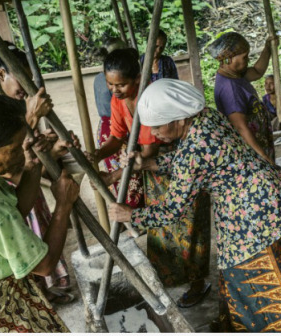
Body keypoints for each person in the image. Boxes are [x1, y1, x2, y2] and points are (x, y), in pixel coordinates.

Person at [109, 79, 281, 332]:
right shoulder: (205, 118)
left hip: (256, 217)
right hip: (265, 200)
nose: (154, 133)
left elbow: (172, 210)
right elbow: (187, 161)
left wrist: (131, 215)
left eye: (158, 126)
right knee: (258, 274)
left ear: (180, 119)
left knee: (259, 279)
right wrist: (147, 164)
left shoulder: (194, 150)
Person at [87, 49, 211, 307]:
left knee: (188, 225)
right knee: (162, 229)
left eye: (120, 84)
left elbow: (149, 151)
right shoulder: (118, 101)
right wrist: (96, 155)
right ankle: (169, 277)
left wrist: (114, 177)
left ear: (137, 79)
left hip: (173, 163)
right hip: (151, 171)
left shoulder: (152, 99)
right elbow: (118, 137)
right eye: (110, 84)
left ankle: (197, 281)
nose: (115, 89)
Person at [0, 93, 79, 332]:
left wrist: (33, 165)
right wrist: (63, 205)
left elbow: (17, 207)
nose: (20, 154)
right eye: (13, 149)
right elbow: (44, 265)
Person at [0, 46, 76, 304]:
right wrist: (30, 118)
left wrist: (51, 150)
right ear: (1, 75)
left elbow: (28, 159)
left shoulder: (20, 106)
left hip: (27, 187)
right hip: (12, 194)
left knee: (39, 238)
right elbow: (9, 163)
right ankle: (36, 297)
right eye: (21, 77)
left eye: (30, 78)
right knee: (29, 253)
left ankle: (44, 293)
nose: (26, 86)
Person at [209, 32, 276, 163]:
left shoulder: (234, 74)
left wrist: (268, 48)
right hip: (252, 152)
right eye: (245, 57)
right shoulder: (230, 89)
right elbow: (240, 127)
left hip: (259, 143)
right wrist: (263, 157)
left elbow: (257, 72)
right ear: (228, 59)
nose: (248, 60)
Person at [93, 37, 128, 197]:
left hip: (109, 128)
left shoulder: (100, 79)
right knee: (124, 174)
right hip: (115, 129)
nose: (115, 88)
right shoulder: (114, 84)